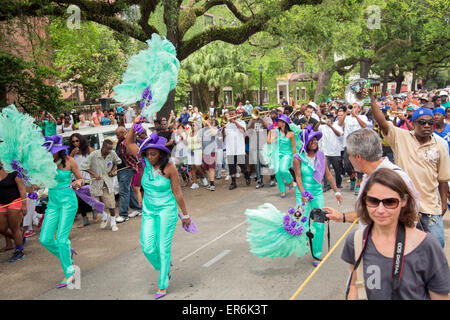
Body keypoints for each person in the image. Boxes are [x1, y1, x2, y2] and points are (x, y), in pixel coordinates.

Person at [341, 168, 450, 300]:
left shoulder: (427, 246)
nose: (380, 210)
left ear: (404, 201)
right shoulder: (356, 241)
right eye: (373, 201)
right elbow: (354, 285)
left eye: (390, 202)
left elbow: (440, 296)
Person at [369, 90, 450, 248]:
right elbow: (382, 121)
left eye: (430, 123)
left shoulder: (440, 144)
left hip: (430, 207)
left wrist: (444, 202)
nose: (427, 126)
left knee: (437, 245)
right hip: (404, 207)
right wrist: (371, 100)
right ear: (413, 124)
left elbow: (443, 178)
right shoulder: (400, 137)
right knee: (404, 247)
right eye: (422, 122)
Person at [126, 116, 192, 299]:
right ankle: (164, 266)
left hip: (167, 211)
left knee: (163, 247)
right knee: (147, 247)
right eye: (147, 153)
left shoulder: (170, 168)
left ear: (161, 154)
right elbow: (127, 143)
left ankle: (163, 282)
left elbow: (178, 193)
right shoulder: (145, 163)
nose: (149, 156)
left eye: (153, 154)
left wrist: (186, 215)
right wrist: (133, 125)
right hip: (149, 210)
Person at [324, 128, 420, 225]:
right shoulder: (368, 176)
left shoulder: (395, 178)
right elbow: (369, 214)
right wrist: (341, 217)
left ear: (358, 157)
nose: (348, 159)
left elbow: (409, 217)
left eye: (349, 155)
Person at [293, 125, 343, 267]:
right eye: (311, 140)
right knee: (300, 221)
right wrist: (303, 193)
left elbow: (328, 175)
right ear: (305, 142)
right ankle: (303, 242)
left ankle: (316, 253)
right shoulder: (298, 158)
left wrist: (336, 192)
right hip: (302, 194)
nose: (315, 142)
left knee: (319, 224)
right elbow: (298, 177)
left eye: (316, 139)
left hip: (317, 193)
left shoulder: (321, 156)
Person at [39, 135, 84, 288]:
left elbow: (81, 178)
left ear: (58, 150)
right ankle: (66, 253)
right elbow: (38, 184)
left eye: (52, 151)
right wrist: (35, 192)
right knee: (44, 239)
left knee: (62, 238)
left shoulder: (70, 161)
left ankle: (69, 272)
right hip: (52, 204)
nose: (49, 153)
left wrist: (78, 181)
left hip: (68, 203)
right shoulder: (45, 164)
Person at [80, 140, 122, 232]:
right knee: (95, 204)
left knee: (111, 204)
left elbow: (117, 162)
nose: (109, 151)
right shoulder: (94, 155)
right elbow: (83, 166)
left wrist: (113, 170)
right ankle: (104, 216)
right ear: (103, 147)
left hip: (107, 182)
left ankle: (113, 223)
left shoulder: (112, 153)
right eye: (108, 149)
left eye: (111, 149)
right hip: (95, 183)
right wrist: (94, 174)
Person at [0, 161, 27, 262]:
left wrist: (24, 205)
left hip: (15, 201)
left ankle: (19, 251)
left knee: (14, 227)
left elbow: (22, 189)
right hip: (2, 203)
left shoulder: (14, 172)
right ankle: (20, 239)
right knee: (2, 228)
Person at [68, 133, 97, 228]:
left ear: (81, 140)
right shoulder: (71, 153)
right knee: (79, 200)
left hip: (87, 177)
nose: (76, 143)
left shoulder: (88, 150)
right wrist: (72, 153)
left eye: (77, 140)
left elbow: (97, 158)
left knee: (89, 197)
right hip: (76, 179)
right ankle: (85, 218)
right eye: (73, 141)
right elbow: (67, 163)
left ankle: (94, 210)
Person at [339, 103, 368, 195]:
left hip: (359, 144)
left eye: (355, 107)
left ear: (359, 109)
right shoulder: (347, 118)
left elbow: (364, 125)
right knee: (346, 164)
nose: (353, 109)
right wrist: (347, 111)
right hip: (347, 144)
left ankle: (359, 184)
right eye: (352, 107)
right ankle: (352, 177)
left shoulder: (363, 117)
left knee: (359, 165)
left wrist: (356, 116)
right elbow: (340, 123)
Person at [115, 126, 142, 223]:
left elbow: (126, 157)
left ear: (124, 132)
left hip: (126, 169)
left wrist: (131, 166)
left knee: (123, 192)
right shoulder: (122, 142)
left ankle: (123, 214)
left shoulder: (126, 143)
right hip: (123, 170)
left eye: (118, 134)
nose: (117, 136)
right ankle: (137, 208)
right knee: (128, 190)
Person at [267, 114, 296, 198]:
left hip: (287, 154)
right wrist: (270, 131)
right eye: (278, 121)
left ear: (284, 123)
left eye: (279, 121)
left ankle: (290, 181)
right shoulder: (276, 131)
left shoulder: (291, 134)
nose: (277, 122)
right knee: (277, 172)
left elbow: (293, 147)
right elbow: (269, 141)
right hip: (277, 155)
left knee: (283, 169)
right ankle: (282, 190)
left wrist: (295, 158)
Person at [222, 109, 251, 190]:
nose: (231, 115)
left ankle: (247, 175)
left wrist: (234, 122)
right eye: (230, 114)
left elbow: (243, 131)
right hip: (230, 150)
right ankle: (233, 183)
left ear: (236, 114)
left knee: (243, 167)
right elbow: (224, 136)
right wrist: (223, 128)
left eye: (232, 114)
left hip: (239, 149)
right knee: (232, 167)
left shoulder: (241, 122)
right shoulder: (227, 124)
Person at [247, 107, 272, 189]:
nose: (257, 113)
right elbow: (248, 130)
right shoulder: (252, 119)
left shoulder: (267, 118)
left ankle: (272, 177)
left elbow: (269, 127)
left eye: (258, 111)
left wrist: (261, 119)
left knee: (266, 162)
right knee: (257, 164)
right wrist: (253, 122)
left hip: (264, 144)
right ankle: (259, 181)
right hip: (254, 144)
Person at [319, 112, 344, 191]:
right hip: (325, 151)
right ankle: (327, 185)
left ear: (333, 118)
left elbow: (339, 134)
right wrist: (320, 121)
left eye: (331, 117)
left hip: (335, 151)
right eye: (327, 117)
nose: (329, 118)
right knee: (326, 169)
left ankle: (338, 183)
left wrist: (331, 126)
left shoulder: (337, 125)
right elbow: (315, 129)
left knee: (337, 169)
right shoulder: (322, 127)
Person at [186, 118, 207, 189]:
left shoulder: (199, 133)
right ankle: (195, 183)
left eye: (193, 125)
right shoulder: (189, 133)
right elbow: (186, 142)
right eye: (191, 125)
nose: (192, 126)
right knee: (192, 167)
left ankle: (203, 178)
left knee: (198, 167)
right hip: (190, 151)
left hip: (197, 151)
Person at [200, 117, 219, 191]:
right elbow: (200, 141)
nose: (207, 121)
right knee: (206, 168)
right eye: (206, 119)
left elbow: (214, 133)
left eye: (208, 119)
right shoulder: (201, 130)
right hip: (204, 151)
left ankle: (212, 184)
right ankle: (211, 182)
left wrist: (210, 126)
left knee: (211, 168)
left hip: (212, 151)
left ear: (211, 121)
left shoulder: (214, 128)